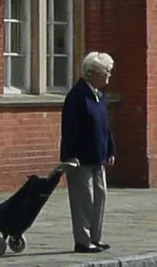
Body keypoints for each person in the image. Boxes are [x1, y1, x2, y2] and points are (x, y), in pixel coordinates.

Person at [60, 50, 117, 255]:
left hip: (98, 155)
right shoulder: (77, 97)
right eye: (107, 72)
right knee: (84, 200)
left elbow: (105, 126)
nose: (109, 77)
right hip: (80, 158)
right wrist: (70, 155)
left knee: (100, 197)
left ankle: (95, 238)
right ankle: (82, 241)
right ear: (93, 73)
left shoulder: (99, 96)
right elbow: (70, 129)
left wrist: (110, 149)